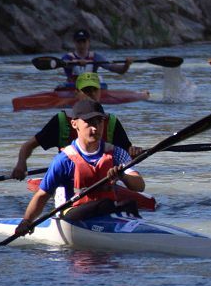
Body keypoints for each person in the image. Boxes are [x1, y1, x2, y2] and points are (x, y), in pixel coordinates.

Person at [13, 99, 145, 237]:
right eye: (89, 122)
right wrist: (26, 221)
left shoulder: (116, 153)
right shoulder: (63, 160)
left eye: (99, 121)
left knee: (118, 203)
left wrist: (122, 175)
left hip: (104, 211)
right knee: (109, 204)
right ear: (74, 124)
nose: (95, 128)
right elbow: (42, 195)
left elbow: (139, 185)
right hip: (70, 215)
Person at [10, 72, 142, 180]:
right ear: (77, 93)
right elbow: (29, 145)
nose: (90, 94)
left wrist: (134, 153)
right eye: (86, 90)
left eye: (94, 90)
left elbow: (127, 155)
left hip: (102, 179)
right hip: (69, 176)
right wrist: (21, 164)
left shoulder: (111, 121)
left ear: (100, 92)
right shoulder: (61, 120)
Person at [59, 28, 132, 88]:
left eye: (84, 41)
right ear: (74, 42)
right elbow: (64, 63)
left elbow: (118, 70)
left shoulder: (96, 57)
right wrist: (77, 62)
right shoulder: (67, 57)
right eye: (79, 42)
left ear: (88, 42)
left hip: (91, 88)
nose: (81, 45)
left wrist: (126, 65)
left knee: (100, 80)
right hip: (72, 87)